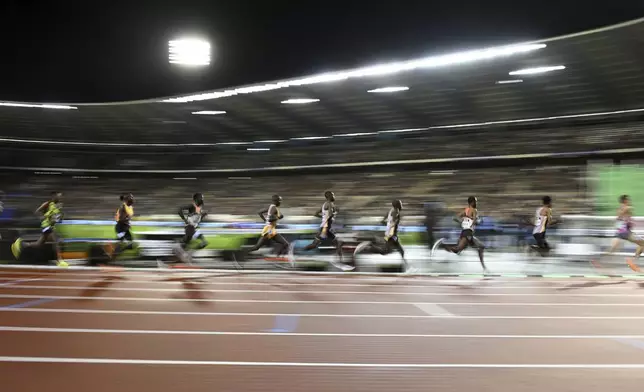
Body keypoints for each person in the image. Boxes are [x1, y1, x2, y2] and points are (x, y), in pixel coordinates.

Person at [11, 191, 68, 267]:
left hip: (51, 226)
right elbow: (37, 211)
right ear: (53, 196)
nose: (60, 198)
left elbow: (58, 218)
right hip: (46, 225)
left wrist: (59, 216)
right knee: (56, 241)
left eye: (61, 196)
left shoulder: (58, 206)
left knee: (39, 244)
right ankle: (59, 261)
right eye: (59, 196)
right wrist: (44, 217)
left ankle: (21, 244)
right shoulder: (47, 204)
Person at [353, 199, 411, 272]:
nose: (402, 205)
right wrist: (391, 232)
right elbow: (392, 222)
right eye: (400, 204)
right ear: (397, 205)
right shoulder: (396, 212)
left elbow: (382, 221)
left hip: (391, 234)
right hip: (391, 235)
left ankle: (406, 267)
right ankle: (369, 246)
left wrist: (388, 225)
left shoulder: (390, 211)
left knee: (401, 251)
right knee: (385, 251)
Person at [301, 191, 352, 271]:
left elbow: (316, 214)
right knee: (337, 244)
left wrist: (324, 217)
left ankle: (295, 252)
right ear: (329, 196)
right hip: (325, 228)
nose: (334, 196)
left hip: (325, 228)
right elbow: (331, 215)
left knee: (315, 245)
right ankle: (340, 263)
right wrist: (335, 212)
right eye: (333, 195)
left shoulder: (325, 204)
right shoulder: (330, 204)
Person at [592, 195, 642, 272]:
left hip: (620, 232)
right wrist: (627, 219)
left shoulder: (620, 209)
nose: (629, 201)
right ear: (625, 200)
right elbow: (622, 216)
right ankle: (633, 261)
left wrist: (627, 221)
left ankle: (597, 261)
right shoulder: (627, 207)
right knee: (642, 243)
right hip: (626, 232)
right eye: (628, 200)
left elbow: (618, 219)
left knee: (612, 250)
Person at [441, 196, 487, 272]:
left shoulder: (466, 210)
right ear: (472, 202)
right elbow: (475, 221)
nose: (476, 203)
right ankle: (444, 245)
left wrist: (462, 222)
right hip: (467, 233)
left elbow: (455, 217)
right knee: (458, 249)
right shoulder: (474, 210)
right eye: (475, 201)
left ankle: (484, 268)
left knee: (480, 247)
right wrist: (479, 221)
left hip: (466, 232)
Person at [246, 195, 292, 261]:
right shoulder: (274, 208)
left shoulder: (271, 207)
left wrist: (265, 220)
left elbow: (260, 213)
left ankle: (278, 257)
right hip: (268, 231)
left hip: (271, 230)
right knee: (257, 247)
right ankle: (243, 253)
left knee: (286, 244)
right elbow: (270, 219)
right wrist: (278, 217)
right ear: (276, 201)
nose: (280, 203)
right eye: (280, 201)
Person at [112, 193, 135, 260]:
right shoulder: (123, 207)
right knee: (119, 242)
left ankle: (116, 254)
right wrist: (127, 222)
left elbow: (128, 217)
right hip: (121, 227)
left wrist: (128, 222)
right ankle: (113, 255)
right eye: (131, 199)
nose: (132, 200)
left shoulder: (129, 207)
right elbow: (121, 219)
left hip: (125, 227)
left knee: (130, 245)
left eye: (132, 199)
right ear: (127, 200)